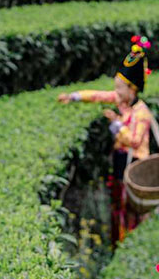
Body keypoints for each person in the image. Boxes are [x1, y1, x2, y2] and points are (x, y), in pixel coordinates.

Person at [58, 35, 153, 244]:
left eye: (120, 88)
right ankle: (118, 240)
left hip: (135, 165)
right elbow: (98, 96)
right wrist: (74, 96)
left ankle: (131, 240)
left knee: (131, 206)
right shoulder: (123, 102)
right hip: (120, 161)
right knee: (117, 203)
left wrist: (117, 124)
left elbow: (136, 141)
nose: (116, 93)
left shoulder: (141, 113)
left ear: (132, 89)